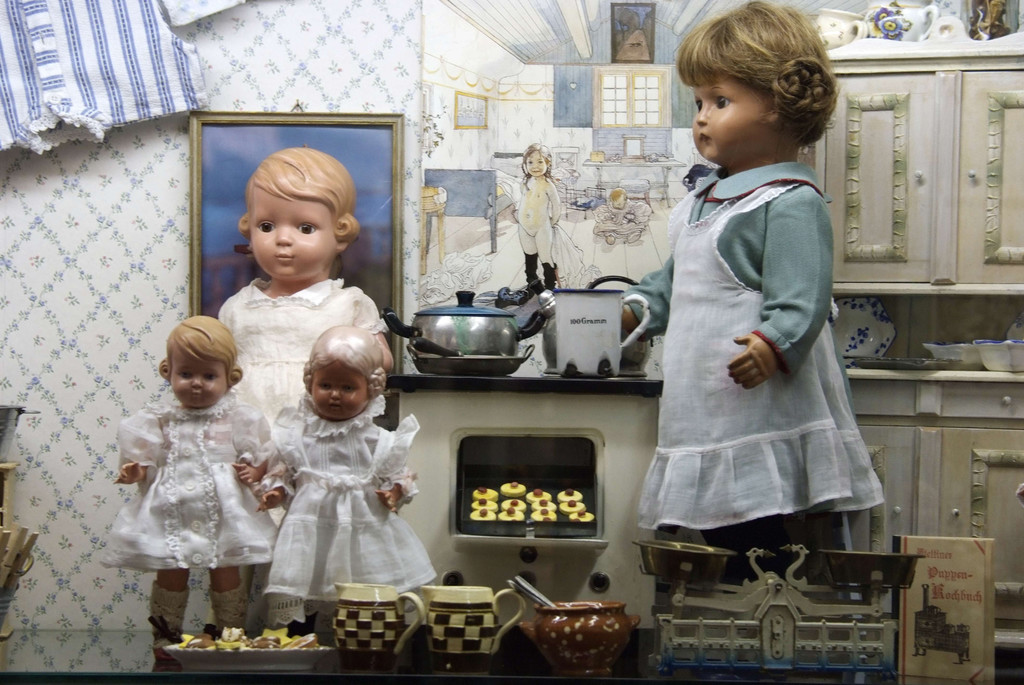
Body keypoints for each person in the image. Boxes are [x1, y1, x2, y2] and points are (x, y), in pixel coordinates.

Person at [623, 1, 883, 581]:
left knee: (755, 526)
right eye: (698, 103)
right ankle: (748, 615)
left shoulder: (788, 200)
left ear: (778, 105)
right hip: (705, 403)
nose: (701, 118)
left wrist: (772, 342)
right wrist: (636, 310)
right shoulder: (705, 199)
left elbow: (803, 296)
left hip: (758, 405)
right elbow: (676, 281)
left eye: (720, 101)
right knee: (725, 529)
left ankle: (771, 614)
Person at [102, 316, 278, 658]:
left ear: (230, 377)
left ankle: (230, 635)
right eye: (186, 374)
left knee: (225, 567)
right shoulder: (158, 419)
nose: (197, 383)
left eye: (209, 376)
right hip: (172, 508)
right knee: (171, 568)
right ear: (167, 371)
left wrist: (253, 472)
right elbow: (147, 458)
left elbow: (261, 455)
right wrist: (136, 471)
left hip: (224, 510)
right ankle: (165, 637)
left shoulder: (240, 418)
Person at [257, 326, 435, 631]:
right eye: (325, 385)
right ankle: (300, 642)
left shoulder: (377, 439)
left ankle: (364, 644)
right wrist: (277, 492)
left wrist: (392, 493)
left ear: (371, 390)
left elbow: (396, 475)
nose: (335, 395)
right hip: (309, 535)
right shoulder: (297, 436)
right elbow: (284, 472)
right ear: (310, 383)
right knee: (303, 589)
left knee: (367, 597)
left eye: (348, 388)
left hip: (364, 532)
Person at [218, 146, 393, 428]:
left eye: (305, 228)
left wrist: (346, 351)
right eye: (266, 226)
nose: (283, 239)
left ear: (340, 233)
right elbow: (217, 361)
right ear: (248, 229)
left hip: (321, 421)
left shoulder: (348, 304)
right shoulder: (238, 306)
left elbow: (382, 360)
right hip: (246, 422)